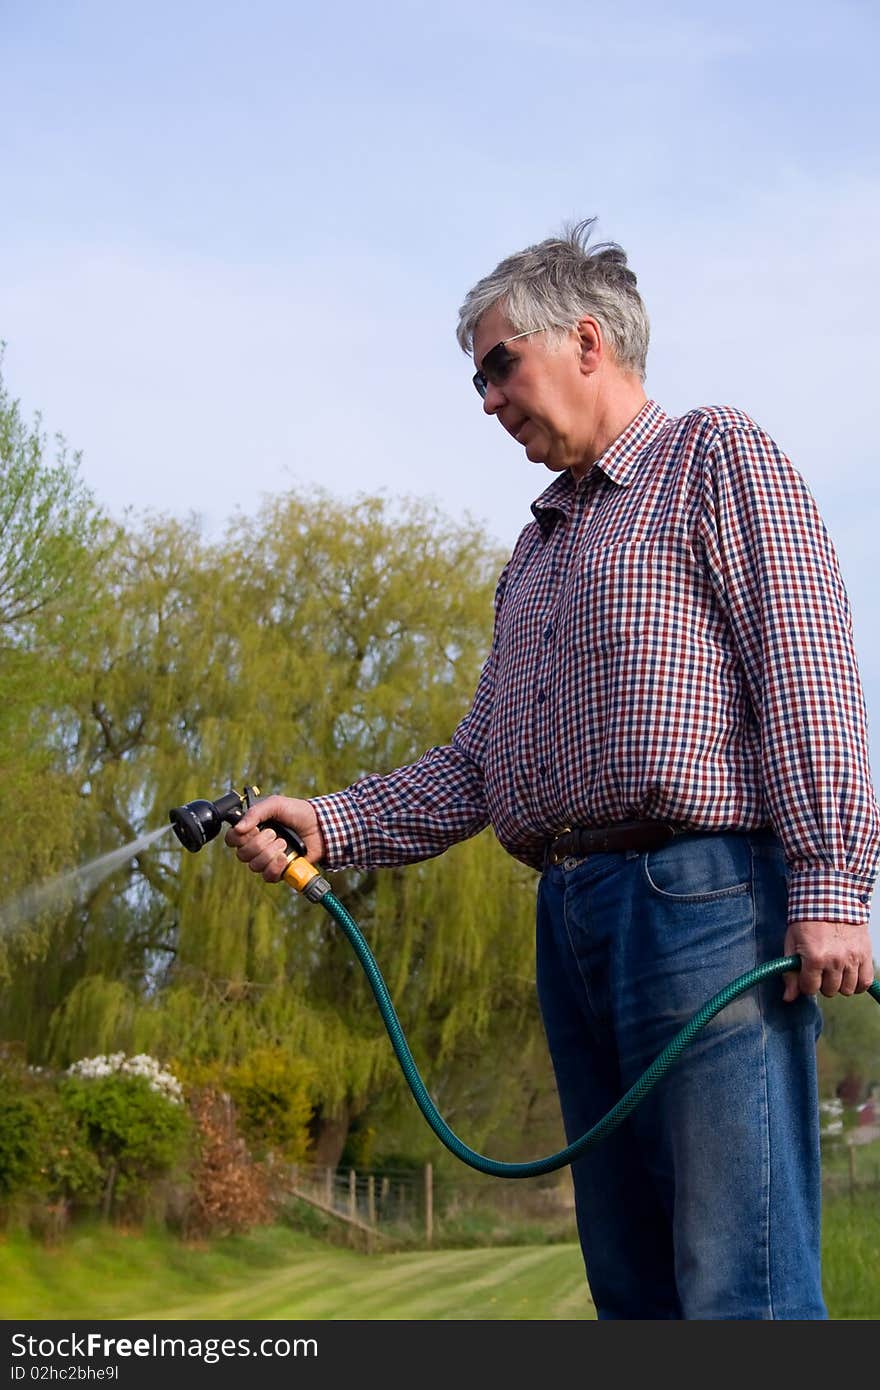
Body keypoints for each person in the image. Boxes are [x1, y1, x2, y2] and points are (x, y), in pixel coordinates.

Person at [226, 219, 880, 1319]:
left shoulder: (712, 456)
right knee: (629, 1282)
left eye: (497, 364)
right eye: (475, 379)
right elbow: (479, 765)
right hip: (571, 920)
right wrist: (331, 822)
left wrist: (827, 885)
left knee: (739, 1281)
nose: (485, 400)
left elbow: (804, 665)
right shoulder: (533, 551)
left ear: (585, 338)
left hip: (705, 904)